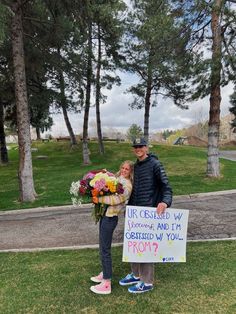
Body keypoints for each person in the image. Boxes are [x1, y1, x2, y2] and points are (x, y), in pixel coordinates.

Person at [119, 138, 172, 294]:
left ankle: (147, 282)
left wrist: (165, 202)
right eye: (136, 147)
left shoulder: (155, 164)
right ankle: (136, 275)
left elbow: (166, 187)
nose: (138, 149)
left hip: (148, 213)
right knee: (133, 245)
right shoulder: (136, 167)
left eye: (141, 146)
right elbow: (126, 180)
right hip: (134, 213)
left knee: (146, 248)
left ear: (146, 148)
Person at [90, 160, 134, 295]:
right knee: (102, 246)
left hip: (110, 218)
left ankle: (107, 283)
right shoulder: (118, 178)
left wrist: (100, 200)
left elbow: (117, 199)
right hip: (105, 215)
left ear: (131, 171)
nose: (124, 170)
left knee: (105, 249)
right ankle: (105, 273)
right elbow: (110, 186)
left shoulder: (127, 185)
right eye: (122, 167)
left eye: (127, 169)